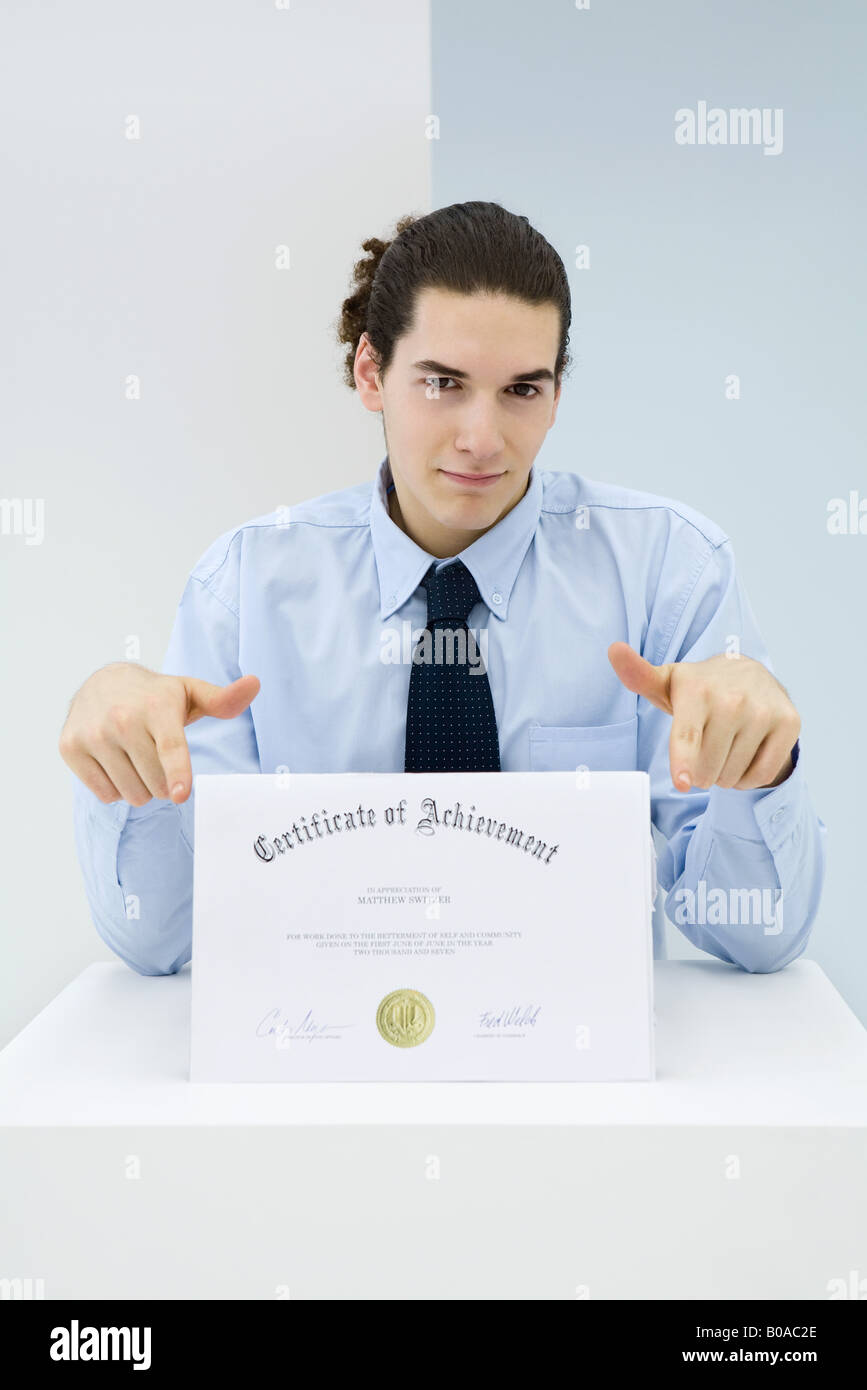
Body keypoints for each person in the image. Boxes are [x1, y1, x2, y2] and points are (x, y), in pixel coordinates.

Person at [60, 200, 826, 977]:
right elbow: (163, 943)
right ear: (370, 373)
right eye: (442, 383)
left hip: (577, 1062)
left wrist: (761, 769)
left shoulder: (670, 570)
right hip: (320, 1054)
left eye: (521, 390)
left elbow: (754, 939)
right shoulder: (246, 588)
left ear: (556, 394)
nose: (481, 439)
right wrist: (137, 777)